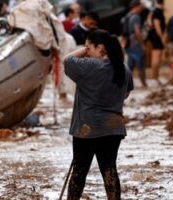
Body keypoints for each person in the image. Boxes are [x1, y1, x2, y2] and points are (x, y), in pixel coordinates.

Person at [63, 29, 133, 199]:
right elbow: (126, 94)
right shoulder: (123, 69)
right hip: (113, 127)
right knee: (109, 169)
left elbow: (67, 60)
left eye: (89, 48)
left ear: (100, 48)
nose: (87, 52)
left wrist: (84, 50)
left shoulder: (89, 66)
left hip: (87, 127)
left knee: (80, 170)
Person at [122, 0, 147, 87]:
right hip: (135, 43)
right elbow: (137, 31)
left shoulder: (127, 16)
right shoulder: (136, 17)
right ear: (135, 6)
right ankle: (144, 84)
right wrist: (142, 44)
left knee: (130, 65)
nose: (141, 8)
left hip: (128, 43)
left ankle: (125, 84)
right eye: (140, 7)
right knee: (141, 64)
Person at [147, 0, 165, 85]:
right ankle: (154, 78)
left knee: (156, 58)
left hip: (155, 37)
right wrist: (162, 38)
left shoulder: (154, 11)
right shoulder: (157, 12)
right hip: (157, 37)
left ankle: (155, 78)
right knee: (156, 59)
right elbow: (157, 25)